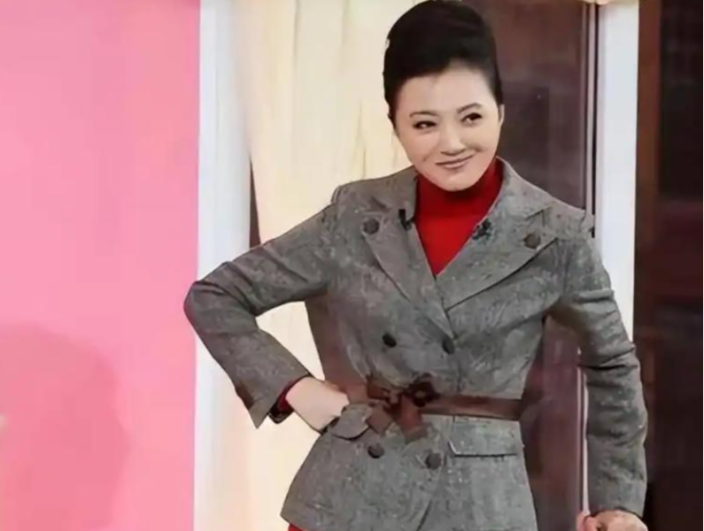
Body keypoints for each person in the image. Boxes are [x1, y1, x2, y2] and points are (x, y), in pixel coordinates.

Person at [184, 2, 648, 530]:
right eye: (425, 123)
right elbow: (215, 296)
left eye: (471, 117)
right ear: (396, 126)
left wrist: (618, 503)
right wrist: (294, 387)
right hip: (351, 499)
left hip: (482, 507)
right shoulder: (356, 215)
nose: (452, 144)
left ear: (501, 110)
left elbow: (612, 366)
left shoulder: (556, 233)